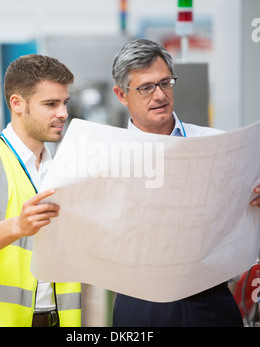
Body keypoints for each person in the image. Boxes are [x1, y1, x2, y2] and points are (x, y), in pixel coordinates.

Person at [111, 38, 260, 327]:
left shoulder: (217, 144)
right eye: (146, 87)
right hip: (140, 303)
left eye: (165, 83)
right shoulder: (106, 157)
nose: (159, 95)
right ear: (121, 94)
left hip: (211, 300)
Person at [0, 54, 81, 327]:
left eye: (64, 103)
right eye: (51, 104)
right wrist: (18, 225)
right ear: (17, 103)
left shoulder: (65, 169)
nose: (62, 113)